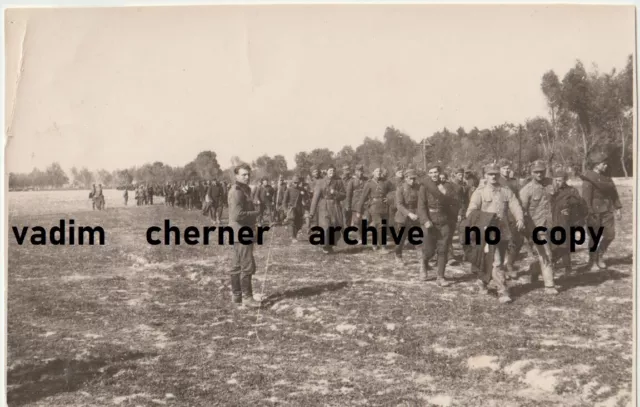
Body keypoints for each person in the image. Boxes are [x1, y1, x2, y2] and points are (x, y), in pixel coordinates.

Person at [466, 163, 525, 303]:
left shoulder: (505, 190)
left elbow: (515, 204)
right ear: (485, 176)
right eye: (490, 174)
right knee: (497, 261)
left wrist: (520, 218)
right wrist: (484, 220)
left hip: (503, 231)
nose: (493, 176)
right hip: (488, 232)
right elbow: (471, 212)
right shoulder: (480, 192)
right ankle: (502, 291)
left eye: (496, 174)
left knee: (495, 260)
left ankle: (482, 281)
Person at [519, 160, 558, 294]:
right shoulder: (526, 190)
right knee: (546, 253)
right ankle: (549, 285)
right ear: (531, 173)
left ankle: (535, 270)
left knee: (551, 252)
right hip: (537, 226)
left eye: (542, 171)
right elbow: (522, 211)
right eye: (536, 172)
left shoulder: (552, 184)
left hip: (552, 225)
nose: (539, 174)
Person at [580, 152, 623, 270]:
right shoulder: (588, 179)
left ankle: (600, 254)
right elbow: (586, 199)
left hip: (607, 210)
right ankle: (592, 260)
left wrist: (618, 208)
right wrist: (588, 214)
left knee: (610, 235)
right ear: (596, 165)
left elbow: (613, 193)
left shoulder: (607, 177)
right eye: (603, 164)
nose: (606, 166)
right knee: (594, 237)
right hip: (594, 212)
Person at [228, 163, 261, 308]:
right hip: (241, 232)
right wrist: (257, 213)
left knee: (236, 265)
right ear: (236, 176)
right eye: (243, 175)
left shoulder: (243, 190)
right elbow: (238, 215)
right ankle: (247, 298)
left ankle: (237, 296)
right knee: (247, 265)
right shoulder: (237, 191)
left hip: (237, 232)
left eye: (248, 174)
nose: (247, 177)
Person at [417, 163, 456, 286]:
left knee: (443, 249)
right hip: (430, 221)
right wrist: (425, 220)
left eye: (436, 172)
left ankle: (440, 277)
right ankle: (424, 263)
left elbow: (453, 202)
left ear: (440, 173)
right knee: (429, 250)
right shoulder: (424, 187)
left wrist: (445, 193)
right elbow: (421, 206)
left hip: (444, 220)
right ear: (429, 174)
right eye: (431, 172)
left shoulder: (446, 186)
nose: (434, 174)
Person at [551, 167, 588, 274]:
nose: (558, 182)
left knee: (565, 245)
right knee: (554, 245)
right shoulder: (550, 191)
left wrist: (569, 210)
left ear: (565, 180)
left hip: (565, 222)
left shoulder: (571, 191)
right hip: (552, 221)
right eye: (556, 180)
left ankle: (567, 267)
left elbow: (580, 205)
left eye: (560, 180)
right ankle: (552, 264)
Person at [355, 166, 394, 252]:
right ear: (373, 173)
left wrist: (389, 198)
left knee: (380, 226)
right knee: (380, 225)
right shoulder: (369, 183)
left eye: (380, 171)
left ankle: (374, 243)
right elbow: (363, 197)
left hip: (384, 207)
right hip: (374, 207)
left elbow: (394, 191)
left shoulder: (386, 182)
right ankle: (383, 247)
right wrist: (358, 210)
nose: (378, 173)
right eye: (376, 171)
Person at [309, 164, 347, 254]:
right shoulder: (321, 182)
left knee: (335, 227)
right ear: (327, 171)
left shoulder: (339, 182)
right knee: (326, 227)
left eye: (333, 171)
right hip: (324, 206)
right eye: (330, 171)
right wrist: (312, 212)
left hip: (335, 207)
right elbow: (315, 198)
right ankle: (325, 246)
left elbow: (344, 195)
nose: (332, 172)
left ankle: (329, 246)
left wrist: (335, 193)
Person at [394, 169, 422, 266]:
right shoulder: (400, 189)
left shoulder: (418, 188)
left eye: (414, 178)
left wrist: (419, 213)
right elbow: (399, 205)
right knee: (401, 239)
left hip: (416, 216)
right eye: (410, 178)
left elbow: (421, 202)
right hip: (403, 217)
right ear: (406, 178)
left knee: (417, 238)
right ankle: (398, 256)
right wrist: (409, 214)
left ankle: (422, 260)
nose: (413, 181)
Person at [283, 175, 306, 242]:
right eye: (295, 182)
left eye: (297, 183)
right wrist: (285, 210)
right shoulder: (288, 190)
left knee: (299, 224)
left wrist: (303, 194)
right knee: (292, 223)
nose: (296, 184)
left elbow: (307, 197)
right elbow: (284, 201)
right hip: (291, 209)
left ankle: (294, 235)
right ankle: (293, 237)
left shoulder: (301, 189)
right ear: (292, 182)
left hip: (299, 209)